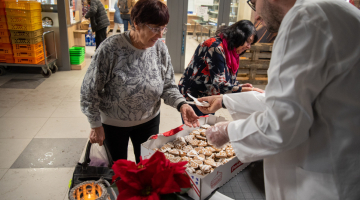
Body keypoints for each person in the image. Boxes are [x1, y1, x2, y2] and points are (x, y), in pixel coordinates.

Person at [196, 0, 360, 199]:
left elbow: (282, 123)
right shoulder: (335, 11)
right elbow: (293, 102)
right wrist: (224, 100)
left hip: (321, 183)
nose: (255, 15)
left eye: (254, 2)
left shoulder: (305, 18)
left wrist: (228, 131)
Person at [80, 0, 200, 164]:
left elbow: (168, 85)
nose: (160, 35)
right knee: (118, 171)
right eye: (155, 28)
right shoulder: (111, 49)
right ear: (136, 23)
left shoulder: (160, 49)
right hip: (113, 125)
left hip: (149, 121)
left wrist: (182, 104)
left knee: (147, 168)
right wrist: (95, 125)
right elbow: (89, 90)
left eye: (163, 28)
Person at [178, 20, 264, 117]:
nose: (248, 46)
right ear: (239, 36)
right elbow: (220, 86)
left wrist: (241, 86)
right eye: (248, 42)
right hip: (194, 95)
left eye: (251, 44)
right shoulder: (214, 47)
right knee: (195, 128)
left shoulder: (231, 50)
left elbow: (227, 78)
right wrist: (248, 90)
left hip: (209, 94)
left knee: (205, 126)